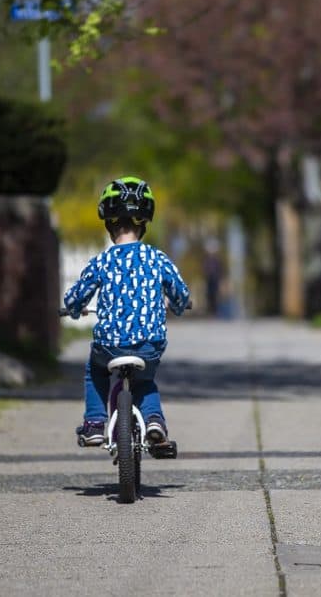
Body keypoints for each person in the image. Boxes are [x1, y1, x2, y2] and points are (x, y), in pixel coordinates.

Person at [63, 176, 190, 447]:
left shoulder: (101, 261)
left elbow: (76, 297)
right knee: (144, 381)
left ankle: (95, 423)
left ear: (109, 224)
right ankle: (154, 420)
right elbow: (180, 293)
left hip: (109, 346)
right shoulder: (158, 259)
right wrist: (178, 306)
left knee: (94, 371)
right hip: (149, 345)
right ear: (144, 223)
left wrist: (74, 310)